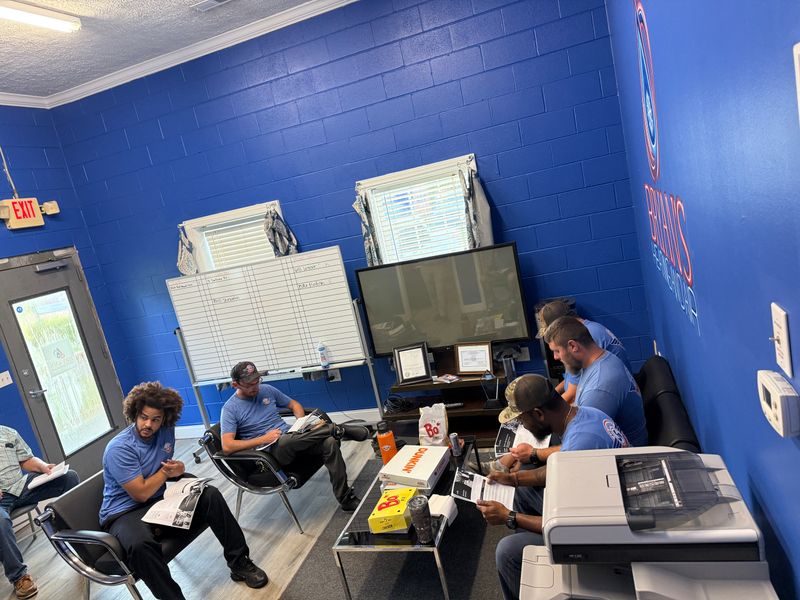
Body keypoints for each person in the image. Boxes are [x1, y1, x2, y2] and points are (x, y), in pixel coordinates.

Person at [99, 382, 267, 600]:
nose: (148, 424)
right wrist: (167, 474)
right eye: (143, 417)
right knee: (141, 545)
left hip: (157, 500)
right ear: (134, 414)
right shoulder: (120, 448)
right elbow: (140, 493)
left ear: (164, 419)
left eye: (155, 419)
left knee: (210, 495)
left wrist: (179, 470)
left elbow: (164, 467)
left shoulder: (166, 431)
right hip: (123, 512)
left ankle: (240, 563)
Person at [476, 374, 630, 600]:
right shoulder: (586, 415)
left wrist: (510, 517)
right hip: (608, 505)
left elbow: (569, 527)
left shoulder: (578, 446)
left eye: (522, 420)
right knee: (523, 489)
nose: (523, 426)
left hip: (611, 538)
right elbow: (556, 470)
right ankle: (538, 565)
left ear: (538, 414)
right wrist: (514, 479)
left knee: (507, 552)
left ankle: (534, 556)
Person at [220, 361, 371, 512]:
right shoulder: (230, 409)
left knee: (329, 443)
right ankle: (336, 429)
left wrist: (300, 424)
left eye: (257, 381)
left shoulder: (266, 390)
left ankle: (345, 499)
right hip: (271, 453)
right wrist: (263, 439)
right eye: (250, 384)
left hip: (293, 438)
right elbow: (227, 446)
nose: (255, 387)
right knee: (285, 441)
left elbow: (294, 405)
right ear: (235, 385)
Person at [1, 426, 79, 599]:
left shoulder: (8, 432)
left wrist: (45, 467)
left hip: (22, 486)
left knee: (69, 478)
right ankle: (19, 577)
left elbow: (26, 460)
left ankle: (83, 540)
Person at [543, 316, 647, 447]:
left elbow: (584, 443)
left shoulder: (598, 388)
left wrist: (534, 453)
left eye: (557, 351)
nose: (555, 357)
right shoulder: (601, 359)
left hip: (627, 458)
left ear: (573, 346)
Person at [537, 299, 632, 404]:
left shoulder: (587, 335)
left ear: (560, 324)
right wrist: (551, 395)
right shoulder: (587, 328)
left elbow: (573, 392)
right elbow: (572, 380)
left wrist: (546, 410)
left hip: (608, 394)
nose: (555, 356)